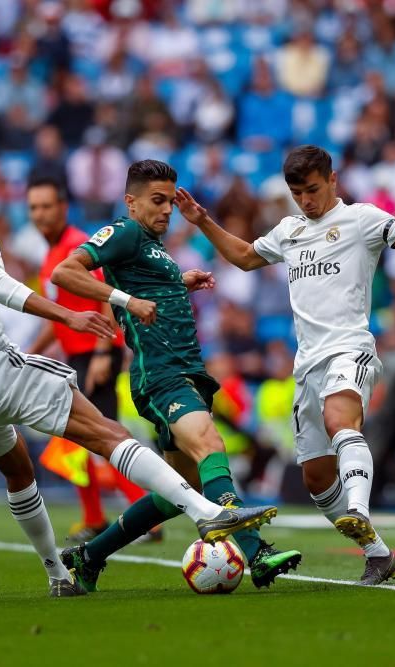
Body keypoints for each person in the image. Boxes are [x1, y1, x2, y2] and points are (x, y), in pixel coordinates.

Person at [0, 138, 278, 598]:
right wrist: (68, 315)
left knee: (19, 469)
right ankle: (208, 513)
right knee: (109, 434)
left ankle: (61, 573)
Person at [174, 145, 395, 584]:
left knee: (340, 419)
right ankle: (378, 553)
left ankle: (359, 509)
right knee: (317, 477)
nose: (305, 200)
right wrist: (202, 221)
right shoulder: (289, 230)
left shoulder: (362, 220)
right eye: (296, 193)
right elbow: (245, 257)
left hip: (350, 347)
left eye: (311, 189)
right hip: (307, 364)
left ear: (332, 180)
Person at [52, 160, 303, 591]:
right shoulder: (126, 231)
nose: (167, 209)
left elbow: (144, 287)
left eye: (170, 200)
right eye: (157, 200)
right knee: (210, 443)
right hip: (161, 376)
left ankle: (89, 558)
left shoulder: (151, 245)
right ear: (130, 202)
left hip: (186, 372)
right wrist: (125, 301)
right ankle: (256, 552)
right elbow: (65, 272)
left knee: (175, 491)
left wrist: (177, 282)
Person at [25, 176, 153, 543]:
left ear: (63, 207)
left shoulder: (74, 246)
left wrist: (102, 351)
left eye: (47, 206)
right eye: (33, 207)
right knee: (82, 439)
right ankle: (98, 517)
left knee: (101, 436)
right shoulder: (51, 255)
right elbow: (63, 313)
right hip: (76, 355)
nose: (40, 214)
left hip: (95, 353)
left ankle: (145, 516)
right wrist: (32, 351)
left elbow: (105, 296)